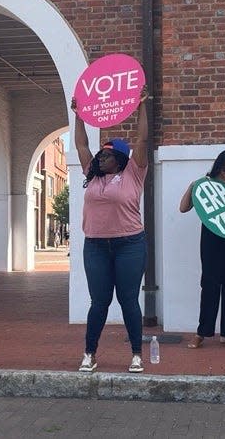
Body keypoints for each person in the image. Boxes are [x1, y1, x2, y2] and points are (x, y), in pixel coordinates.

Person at [72, 85, 149, 373]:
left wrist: (141, 105)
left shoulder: (134, 171)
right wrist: (79, 115)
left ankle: (136, 354)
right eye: (100, 155)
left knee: (128, 299)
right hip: (95, 247)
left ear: (120, 158)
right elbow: (81, 146)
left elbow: (142, 139)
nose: (99, 159)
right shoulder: (92, 176)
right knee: (99, 302)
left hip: (130, 244)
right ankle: (89, 354)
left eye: (105, 155)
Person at [179, 150, 225, 349]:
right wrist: (191, 187)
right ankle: (202, 333)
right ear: (218, 165)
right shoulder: (206, 185)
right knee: (210, 284)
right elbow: (183, 208)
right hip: (211, 239)